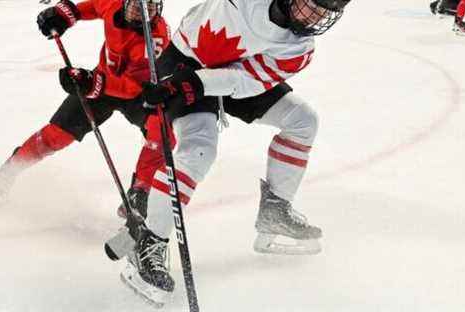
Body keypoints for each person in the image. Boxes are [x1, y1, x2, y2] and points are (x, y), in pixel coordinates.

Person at [117, 0, 351, 306]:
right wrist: (187, 82)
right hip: (185, 63)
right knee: (199, 150)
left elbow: (246, 81)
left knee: (303, 121)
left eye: (327, 13)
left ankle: (274, 211)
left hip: (234, 74)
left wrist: (201, 85)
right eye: (314, 6)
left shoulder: (300, 48)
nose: (318, 17)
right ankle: (148, 243)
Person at [0, 0, 173, 216]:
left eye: (151, 7)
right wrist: (65, 15)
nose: (143, 13)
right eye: (137, 5)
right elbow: (95, 6)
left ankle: (140, 192)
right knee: (57, 135)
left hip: (140, 94)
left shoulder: (156, 38)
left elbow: (132, 87)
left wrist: (92, 83)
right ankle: (12, 167)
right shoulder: (114, 5)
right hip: (104, 81)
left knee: (163, 132)